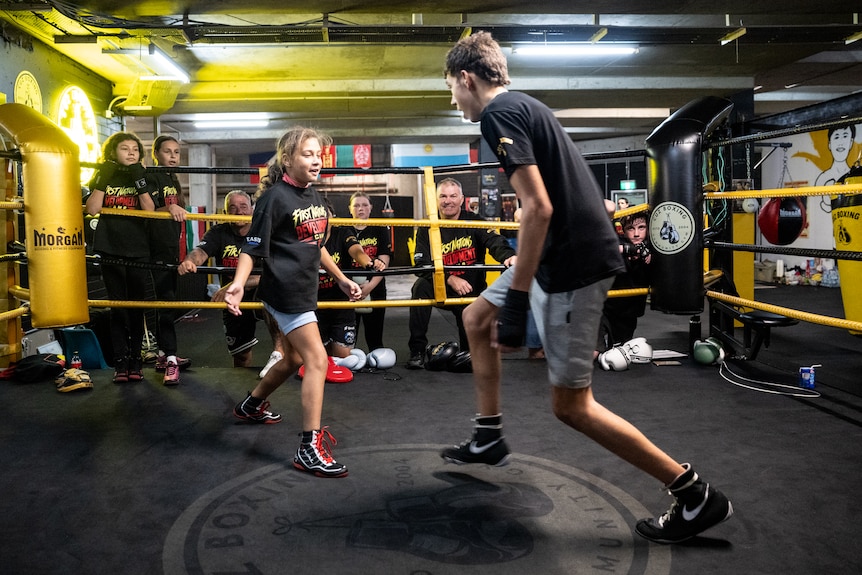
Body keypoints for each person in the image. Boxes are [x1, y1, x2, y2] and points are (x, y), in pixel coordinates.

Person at [439, 31, 733, 544]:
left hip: (573, 261)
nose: (453, 100)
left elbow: (538, 208)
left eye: (451, 89)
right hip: (561, 248)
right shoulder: (524, 105)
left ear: (467, 78)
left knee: (571, 406)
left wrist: (516, 300)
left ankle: (693, 493)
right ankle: (488, 435)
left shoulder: (499, 114)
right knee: (474, 317)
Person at [223, 127, 362, 478]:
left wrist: (343, 279)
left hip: (302, 290)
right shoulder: (275, 199)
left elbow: (317, 245)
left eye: (318, 155)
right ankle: (309, 447)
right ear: (288, 159)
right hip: (285, 293)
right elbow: (251, 247)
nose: (316, 160)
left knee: (292, 359)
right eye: (307, 154)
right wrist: (238, 285)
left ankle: (251, 404)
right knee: (316, 359)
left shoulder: (312, 196)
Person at [407, 177, 516, 369]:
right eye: (443, 196)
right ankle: (417, 350)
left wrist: (508, 256)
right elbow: (421, 264)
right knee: (419, 288)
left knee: (472, 356)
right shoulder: (427, 227)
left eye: (452, 196)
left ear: (461, 199)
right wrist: (449, 279)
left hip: (471, 288)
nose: (447, 200)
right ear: (436, 199)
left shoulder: (474, 221)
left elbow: (494, 241)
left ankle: (470, 347)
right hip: (441, 285)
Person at [177, 190, 284, 373]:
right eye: (232, 208)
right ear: (225, 212)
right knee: (241, 355)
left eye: (243, 207)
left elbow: (271, 274)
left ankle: (278, 353)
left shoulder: (263, 231)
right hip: (234, 300)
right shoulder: (219, 231)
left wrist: (233, 285)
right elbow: (201, 252)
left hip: (260, 291)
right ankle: (241, 385)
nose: (239, 212)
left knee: (273, 295)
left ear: (252, 210)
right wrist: (189, 261)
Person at [85, 131, 156, 383]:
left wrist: (139, 181)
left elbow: (149, 210)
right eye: (124, 148)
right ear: (113, 152)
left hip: (137, 247)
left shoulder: (143, 175)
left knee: (136, 306)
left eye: (135, 149)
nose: (130, 153)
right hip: (110, 246)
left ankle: (136, 359)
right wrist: (103, 179)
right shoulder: (105, 174)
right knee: (117, 306)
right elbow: (92, 208)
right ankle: (120, 362)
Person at [146, 134, 190, 385]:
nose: (173, 157)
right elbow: (146, 209)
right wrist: (168, 209)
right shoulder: (151, 176)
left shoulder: (172, 178)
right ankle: (170, 358)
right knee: (165, 302)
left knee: (168, 302)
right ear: (156, 154)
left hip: (170, 245)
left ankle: (164, 353)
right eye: (167, 152)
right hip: (154, 247)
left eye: (176, 152)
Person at [316, 200, 383, 358]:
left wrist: (368, 262)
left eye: (327, 214)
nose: (323, 218)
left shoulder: (343, 233)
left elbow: (356, 250)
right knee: (320, 359)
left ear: (333, 216)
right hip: (315, 302)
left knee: (344, 359)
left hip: (341, 301)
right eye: (319, 215)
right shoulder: (307, 238)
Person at [596, 212, 653, 356]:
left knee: (619, 355)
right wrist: (629, 249)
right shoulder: (617, 242)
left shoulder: (654, 246)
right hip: (603, 309)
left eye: (641, 227)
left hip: (628, 311)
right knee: (594, 353)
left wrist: (652, 255)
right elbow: (600, 248)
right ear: (623, 229)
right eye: (630, 228)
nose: (636, 234)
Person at [349, 191, 392, 351]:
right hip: (348, 286)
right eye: (357, 205)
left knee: (375, 337)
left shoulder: (379, 228)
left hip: (374, 286)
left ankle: (376, 359)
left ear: (371, 207)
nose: (361, 209)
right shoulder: (343, 228)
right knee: (348, 336)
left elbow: (384, 259)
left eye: (364, 205)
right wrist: (348, 286)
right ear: (350, 208)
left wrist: (370, 286)